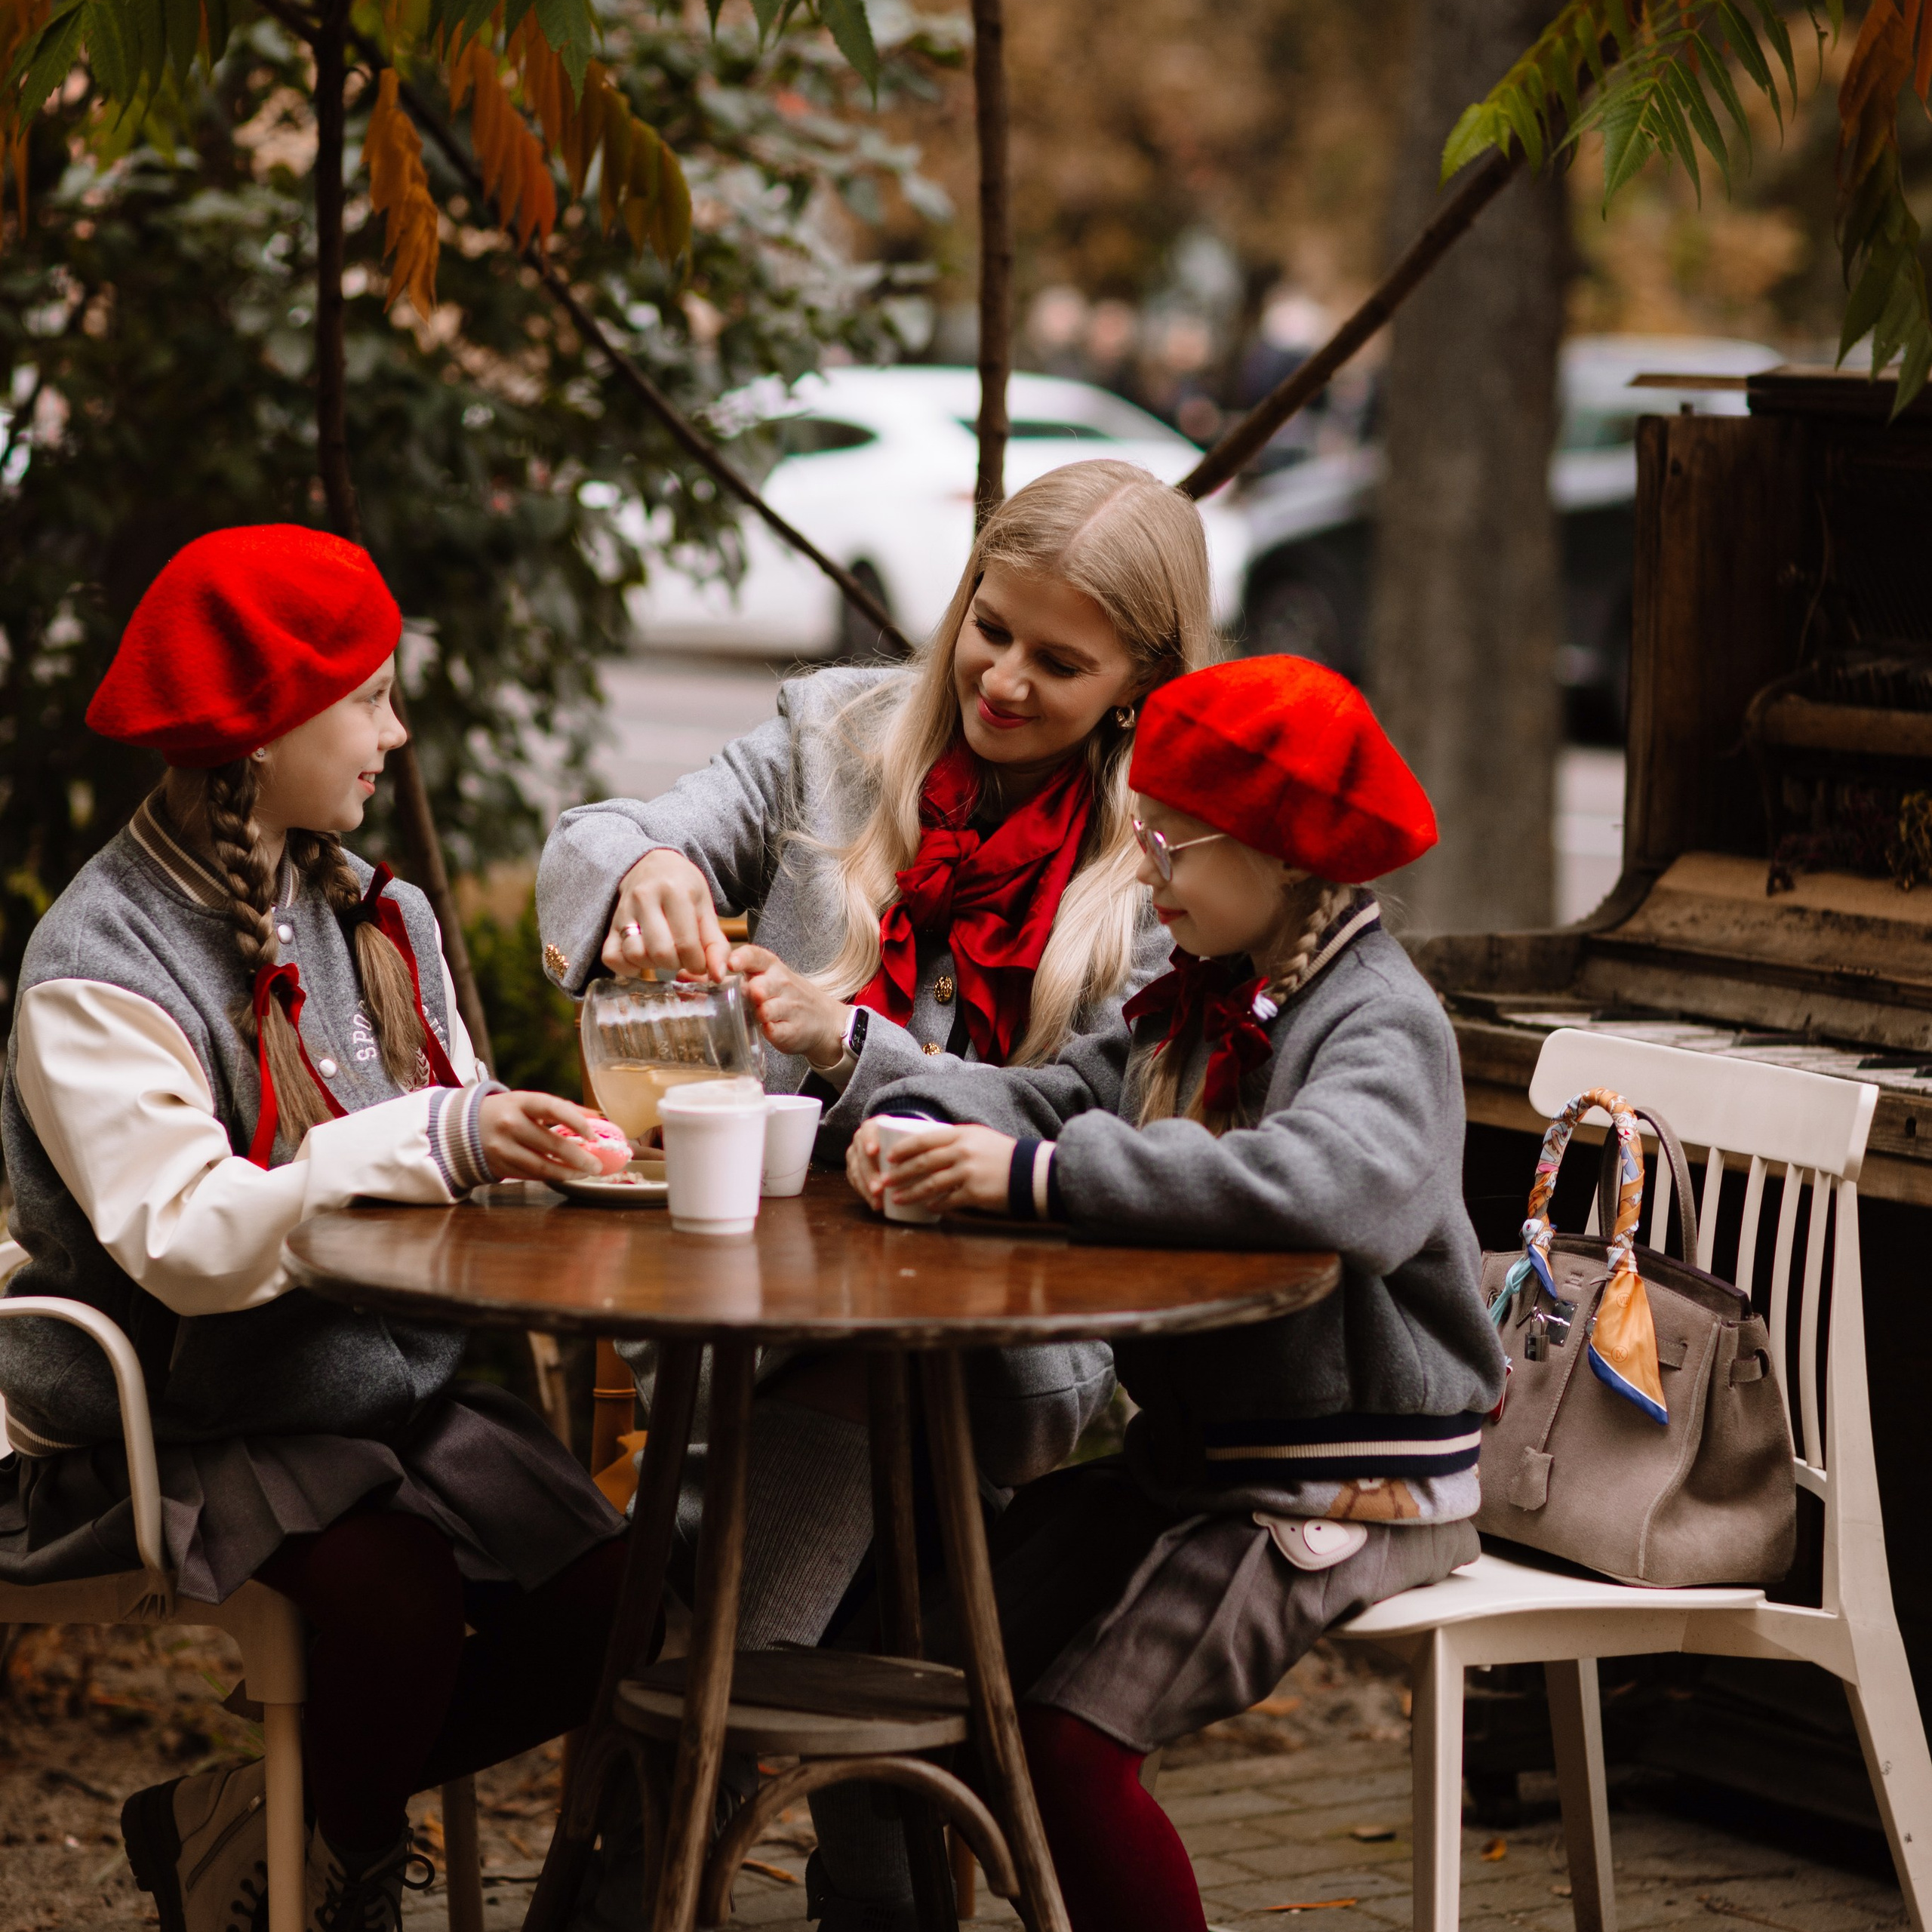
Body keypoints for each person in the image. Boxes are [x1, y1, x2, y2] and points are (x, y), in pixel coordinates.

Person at [537, 459, 1217, 1926]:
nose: (1002, 680)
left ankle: (644, 1848)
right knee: (881, 1585)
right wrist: (645, 864)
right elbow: (590, 836)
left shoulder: (1169, 852)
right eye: (989, 628)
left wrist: (856, 1048)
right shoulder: (834, 733)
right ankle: (864, 1889)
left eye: (1058, 663)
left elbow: (1096, 1111)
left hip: (1005, 1338)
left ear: (1141, 683)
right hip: (768, 1307)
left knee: (825, 1472)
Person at [0, 526, 629, 1932]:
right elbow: (185, 1238)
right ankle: (343, 1875)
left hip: (378, 1385)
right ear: (263, 729)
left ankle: (250, 1820)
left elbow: (453, 1123)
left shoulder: (375, 911)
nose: (395, 737)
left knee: (615, 1599)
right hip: (186, 1412)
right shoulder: (98, 966)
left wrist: (543, 1154)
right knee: (394, 1603)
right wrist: (438, 1140)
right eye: (372, 700)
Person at [848, 654, 1508, 1932]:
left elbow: (1332, 1187)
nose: (1146, 872)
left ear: (1282, 854)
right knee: (921, 1655)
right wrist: (923, 1114)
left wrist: (1037, 1180)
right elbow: (1063, 1095)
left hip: (1344, 1484)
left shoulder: (1380, 1021)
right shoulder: (1207, 990)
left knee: (1070, 1746)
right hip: (1203, 1461)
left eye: (1169, 844)